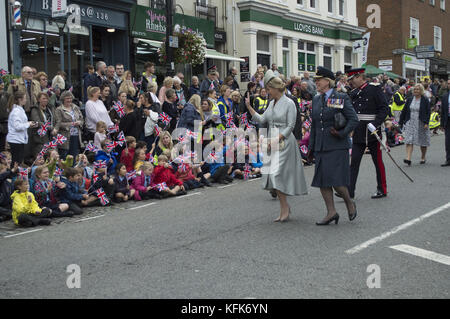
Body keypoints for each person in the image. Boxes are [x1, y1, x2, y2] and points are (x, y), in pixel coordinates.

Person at [245, 70, 308, 222]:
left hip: (284, 141)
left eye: (268, 89)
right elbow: (261, 119)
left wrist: (277, 139)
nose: (267, 92)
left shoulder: (289, 103)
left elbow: (291, 125)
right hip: (272, 140)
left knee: (278, 174)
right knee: (274, 175)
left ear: (274, 88)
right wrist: (249, 106)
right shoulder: (271, 104)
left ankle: (285, 207)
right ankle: (284, 207)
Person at [307, 67, 359, 225]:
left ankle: (349, 201)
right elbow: (315, 125)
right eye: (315, 80)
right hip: (321, 146)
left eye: (319, 80)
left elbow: (353, 120)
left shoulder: (340, 97)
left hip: (337, 145)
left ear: (328, 82)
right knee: (323, 181)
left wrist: (342, 134)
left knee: (336, 182)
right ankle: (331, 212)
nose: (316, 83)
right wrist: (311, 147)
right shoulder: (316, 99)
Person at [345, 68, 389, 199]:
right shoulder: (353, 93)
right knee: (354, 162)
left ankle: (382, 189)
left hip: (372, 132)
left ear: (359, 77)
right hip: (359, 131)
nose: (351, 82)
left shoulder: (374, 89)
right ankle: (350, 190)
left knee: (378, 162)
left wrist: (375, 124)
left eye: (352, 79)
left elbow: (384, 108)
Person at [399, 84, 431, 165]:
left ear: (421, 91)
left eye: (418, 89)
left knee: (423, 141)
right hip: (410, 121)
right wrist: (401, 122)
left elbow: (428, 112)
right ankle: (408, 158)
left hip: (421, 122)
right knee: (409, 140)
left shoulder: (425, 100)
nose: (416, 91)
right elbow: (404, 110)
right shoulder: (410, 99)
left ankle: (423, 157)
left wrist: (426, 122)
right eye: (415, 89)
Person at [7, 91, 38, 165]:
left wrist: (30, 124)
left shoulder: (20, 110)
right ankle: (13, 176)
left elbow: (21, 124)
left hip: (19, 139)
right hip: (15, 140)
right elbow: (17, 126)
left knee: (18, 161)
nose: (26, 100)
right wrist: (28, 124)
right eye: (25, 98)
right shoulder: (16, 111)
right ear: (20, 100)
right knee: (16, 162)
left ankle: (15, 175)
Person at [54, 91, 84, 159]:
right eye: (67, 98)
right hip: (65, 137)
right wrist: (71, 124)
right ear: (63, 99)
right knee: (64, 157)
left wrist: (79, 122)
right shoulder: (59, 110)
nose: (69, 100)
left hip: (76, 135)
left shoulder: (75, 107)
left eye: (70, 98)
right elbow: (58, 124)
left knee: (74, 156)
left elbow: (82, 119)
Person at [30, 92, 54, 158]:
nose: (45, 100)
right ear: (38, 100)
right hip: (40, 138)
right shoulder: (34, 109)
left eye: (46, 98)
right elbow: (37, 122)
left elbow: (54, 120)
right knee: (42, 157)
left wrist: (55, 128)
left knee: (51, 157)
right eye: (43, 98)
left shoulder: (50, 109)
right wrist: (51, 128)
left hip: (50, 137)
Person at [441, 79, 450, 167]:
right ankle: (448, 159)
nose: (449, 85)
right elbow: (443, 110)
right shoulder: (445, 96)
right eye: (448, 84)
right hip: (448, 120)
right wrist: (442, 123)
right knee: (448, 141)